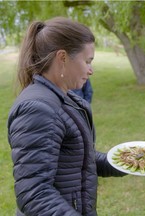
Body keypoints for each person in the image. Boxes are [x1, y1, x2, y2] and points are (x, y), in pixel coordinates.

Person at [7, 17, 126, 216]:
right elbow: (34, 193)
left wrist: (124, 162)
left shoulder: (63, 97)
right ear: (62, 57)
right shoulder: (37, 109)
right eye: (87, 61)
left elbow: (76, 158)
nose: (91, 70)